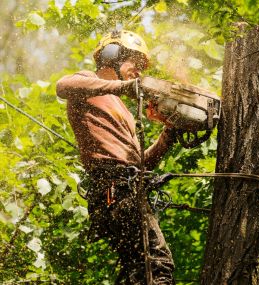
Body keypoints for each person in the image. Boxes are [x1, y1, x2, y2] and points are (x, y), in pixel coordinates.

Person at [56, 30, 176, 284]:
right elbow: (63, 86)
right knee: (156, 264)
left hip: (126, 187)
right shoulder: (87, 82)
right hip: (114, 187)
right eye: (136, 64)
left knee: (138, 268)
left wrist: (170, 132)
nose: (139, 72)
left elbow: (139, 162)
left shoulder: (123, 109)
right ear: (113, 56)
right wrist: (125, 87)